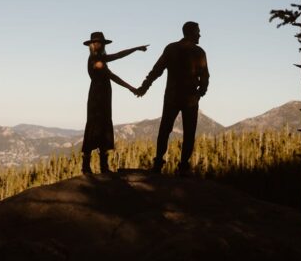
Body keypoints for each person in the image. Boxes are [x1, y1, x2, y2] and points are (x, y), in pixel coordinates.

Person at [137, 21, 209, 175]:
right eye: (198, 31)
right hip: (190, 99)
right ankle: (183, 167)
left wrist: (145, 86)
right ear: (191, 33)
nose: (200, 35)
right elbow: (205, 77)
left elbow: (157, 70)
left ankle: (158, 164)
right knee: (189, 133)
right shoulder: (199, 52)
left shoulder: (171, 49)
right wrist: (200, 93)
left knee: (165, 129)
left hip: (172, 96)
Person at [81, 31, 147, 174]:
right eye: (96, 42)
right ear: (92, 45)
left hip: (103, 97)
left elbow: (116, 56)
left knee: (103, 125)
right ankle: (87, 166)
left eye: (101, 42)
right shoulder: (95, 60)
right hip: (97, 98)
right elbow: (112, 75)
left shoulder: (100, 59)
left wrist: (135, 49)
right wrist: (131, 88)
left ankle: (101, 166)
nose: (98, 44)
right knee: (94, 126)